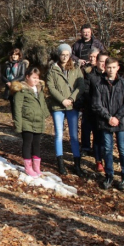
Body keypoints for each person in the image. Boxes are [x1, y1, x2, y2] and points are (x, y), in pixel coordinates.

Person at [92, 57, 124, 191]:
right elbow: (96, 105)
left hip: (121, 122)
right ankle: (109, 175)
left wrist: (117, 117)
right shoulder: (99, 84)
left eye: (114, 67)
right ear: (105, 68)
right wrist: (109, 117)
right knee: (108, 149)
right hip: (105, 122)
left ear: (118, 68)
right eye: (109, 67)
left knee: (122, 149)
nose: (111, 70)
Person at [46, 44, 86, 176]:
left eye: (67, 54)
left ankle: (77, 164)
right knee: (59, 134)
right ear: (59, 54)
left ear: (70, 55)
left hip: (72, 106)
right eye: (62, 54)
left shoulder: (75, 68)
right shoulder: (53, 69)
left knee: (74, 136)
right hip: (58, 106)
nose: (64, 57)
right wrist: (62, 100)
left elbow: (81, 85)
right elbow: (51, 87)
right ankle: (60, 163)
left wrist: (72, 98)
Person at [11, 66, 50, 178]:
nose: (36, 80)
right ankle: (28, 167)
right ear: (27, 77)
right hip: (26, 121)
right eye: (33, 78)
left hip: (38, 121)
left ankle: (36, 166)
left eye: (37, 78)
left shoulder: (39, 90)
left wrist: (45, 114)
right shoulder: (21, 90)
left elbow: (42, 103)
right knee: (28, 143)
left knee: (37, 144)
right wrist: (18, 125)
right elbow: (17, 108)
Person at [85, 51, 109, 172]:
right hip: (95, 112)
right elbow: (86, 93)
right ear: (97, 62)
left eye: (106, 62)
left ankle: (107, 159)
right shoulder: (91, 76)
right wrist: (96, 105)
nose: (103, 64)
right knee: (98, 137)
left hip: (109, 112)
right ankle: (98, 161)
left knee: (107, 138)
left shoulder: (112, 77)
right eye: (101, 61)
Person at [80, 47, 101, 157]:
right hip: (87, 102)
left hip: (99, 104)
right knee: (86, 127)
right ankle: (85, 147)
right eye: (91, 56)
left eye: (95, 56)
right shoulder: (85, 68)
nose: (93, 59)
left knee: (97, 129)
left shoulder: (102, 69)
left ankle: (96, 149)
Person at [2, 48, 26, 118]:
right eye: (13, 54)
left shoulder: (22, 64)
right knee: (12, 104)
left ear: (19, 56)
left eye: (16, 55)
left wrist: (12, 82)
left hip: (17, 87)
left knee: (18, 105)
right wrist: (7, 82)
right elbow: (3, 75)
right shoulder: (7, 64)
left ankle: (20, 121)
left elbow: (22, 76)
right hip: (9, 87)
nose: (14, 56)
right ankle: (14, 120)